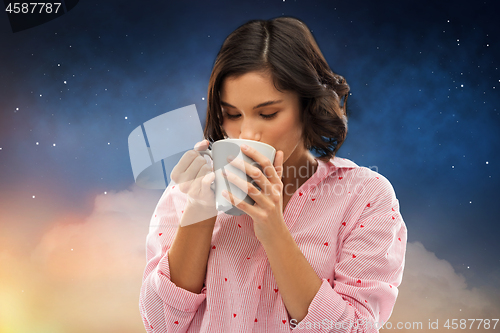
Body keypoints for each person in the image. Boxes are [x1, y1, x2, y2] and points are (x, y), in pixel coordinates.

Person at [139, 16, 407, 332]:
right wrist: (199, 211)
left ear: (309, 106)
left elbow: (355, 328)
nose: (247, 133)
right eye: (231, 115)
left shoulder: (365, 195)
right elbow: (160, 325)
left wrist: (273, 230)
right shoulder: (189, 189)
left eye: (267, 113)